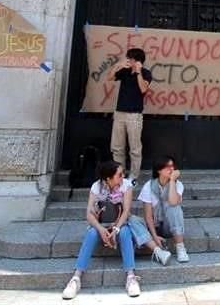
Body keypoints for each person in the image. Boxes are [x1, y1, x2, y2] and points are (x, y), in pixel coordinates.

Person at [61, 160, 168, 300]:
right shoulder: (96, 187)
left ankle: (130, 276)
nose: (122, 176)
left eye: (123, 173)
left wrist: (116, 229)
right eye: (119, 174)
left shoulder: (126, 185)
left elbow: (126, 212)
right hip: (102, 224)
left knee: (125, 232)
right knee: (92, 233)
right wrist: (100, 229)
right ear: (108, 178)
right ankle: (76, 278)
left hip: (121, 223)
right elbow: (89, 214)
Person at [107, 47, 153, 184]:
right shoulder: (124, 72)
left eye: (130, 58)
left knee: (135, 148)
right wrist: (117, 66)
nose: (128, 60)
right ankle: (119, 174)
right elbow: (109, 78)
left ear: (137, 60)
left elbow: (143, 89)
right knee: (117, 147)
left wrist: (138, 72)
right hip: (120, 113)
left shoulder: (146, 73)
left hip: (134, 115)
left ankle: (133, 176)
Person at [137, 155, 189, 263]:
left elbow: (173, 202)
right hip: (155, 226)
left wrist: (172, 181)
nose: (171, 169)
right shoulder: (149, 186)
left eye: (172, 166)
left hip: (170, 227)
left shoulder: (178, 184)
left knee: (173, 207)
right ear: (159, 170)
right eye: (167, 166)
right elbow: (148, 215)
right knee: (134, 220)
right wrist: (154, 236)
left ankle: (180, 247)